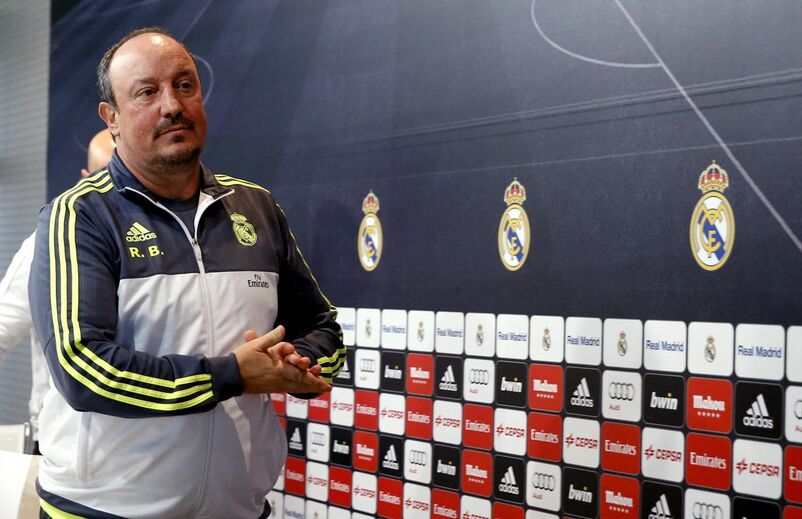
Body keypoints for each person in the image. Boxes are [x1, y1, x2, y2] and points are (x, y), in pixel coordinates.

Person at [29, 27, 344, 518]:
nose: (172, 106)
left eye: (184, 85)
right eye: (146, 92)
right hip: (102, 510)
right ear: (112, 119)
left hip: (238, 509)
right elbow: (83, 370)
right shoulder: (79, 216)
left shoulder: (256, 207)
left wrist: (298, 364)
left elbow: (323, 330)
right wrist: (230, 375)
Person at [0, 129, 114, 455]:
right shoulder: (49, 240)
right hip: (63, 446)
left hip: (154, 445)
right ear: (86, 177)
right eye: (105, 177)